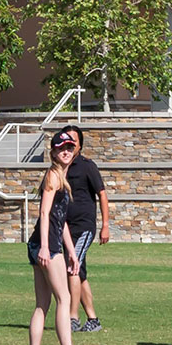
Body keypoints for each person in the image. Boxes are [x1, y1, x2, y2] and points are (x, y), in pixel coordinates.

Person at [26, 136, 95, 345]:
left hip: (45, 244)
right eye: (61, 148)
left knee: (42, 305)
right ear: (53, 153)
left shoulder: (62, 179)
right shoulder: (54, 176)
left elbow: (61, 220)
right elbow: (44, 213)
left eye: (69, 148)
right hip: (46, 245)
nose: (66, 151)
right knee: (64, 299)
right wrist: (46, 247)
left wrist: (72, 253)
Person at [60, 126, 111, 334]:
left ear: (80, 145)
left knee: (73, 266)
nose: (69, 146)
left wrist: (105, 225)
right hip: (66, 229)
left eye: (73, 141)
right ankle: (93, 319)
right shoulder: (60, 166)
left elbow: (102, 194)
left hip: (84, 226)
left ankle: (72, 317)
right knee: (78, 273)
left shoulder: (87, 166)